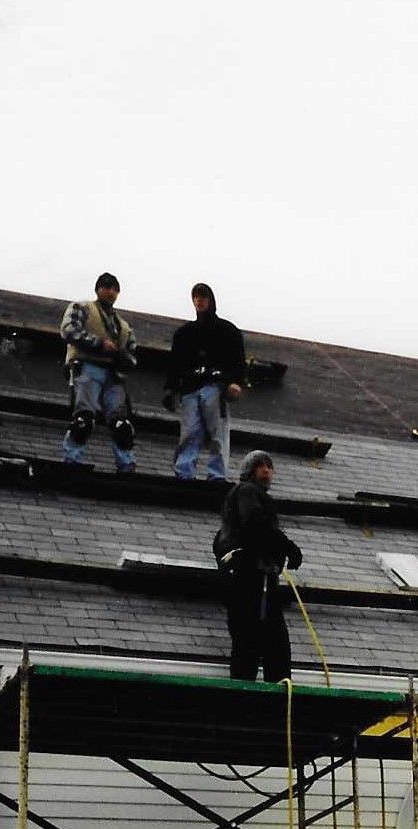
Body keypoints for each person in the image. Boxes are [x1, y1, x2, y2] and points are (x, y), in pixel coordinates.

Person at [215, 451, 303, 681]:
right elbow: (256, 523)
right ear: (250, 471)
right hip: (253, 580)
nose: (266, 470)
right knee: (274, 647)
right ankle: (276, 698)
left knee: (248, 646)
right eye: (260, 465)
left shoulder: (237, 503)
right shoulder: (247, 491)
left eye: (269, 466)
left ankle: (250, 697)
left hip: (248, 580)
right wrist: (287, 547)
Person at [164, 282, 246, 481]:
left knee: (218, 433)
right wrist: (170, 389)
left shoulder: (228, 331)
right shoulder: (184, 334)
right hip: (190, 389)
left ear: (211, 300)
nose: (199, 301)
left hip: (216, 388)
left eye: (203, 296)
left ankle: (216, 475)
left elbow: (238, 361)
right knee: (191, 432)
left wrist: (234, 382)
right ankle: (184, 472)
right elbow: (175, 364)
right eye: (196, 297)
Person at [60, 272, 139, 472]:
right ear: (98, 289)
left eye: (114, 288)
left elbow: (132, 356)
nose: (111, 292)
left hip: (113, 374)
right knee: (83, 418)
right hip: (87, 366)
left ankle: (126, 464)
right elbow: (68, 330)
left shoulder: (123, 325)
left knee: (122, 424)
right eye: (106, 287)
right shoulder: (82, 308)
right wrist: (97, 343)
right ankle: (72, 459)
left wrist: (120, 356)